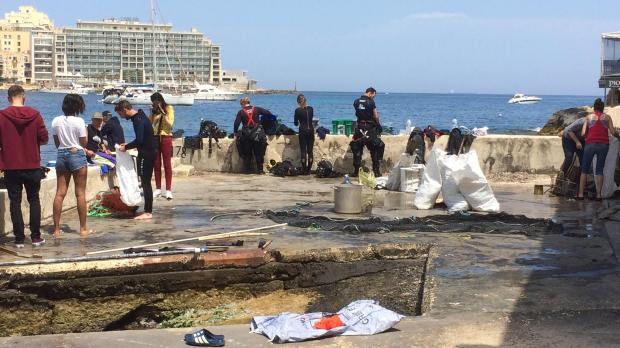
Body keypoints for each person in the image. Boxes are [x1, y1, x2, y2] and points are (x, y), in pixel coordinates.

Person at [0, 85, 49, 247]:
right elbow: (44, 138)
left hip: (11, 166)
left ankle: (19, 239)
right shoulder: (35, 115)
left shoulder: (2, 116)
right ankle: (35, 237)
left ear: (9, 98)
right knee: (34, 200)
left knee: (15, 202)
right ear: (24, 96)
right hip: (32, 164)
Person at [51, 94, 90, 236]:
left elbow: (57, 143)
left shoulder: (56, 121)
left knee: (60, 193)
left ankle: (56, 229)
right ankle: (83, 229)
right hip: (77, 155)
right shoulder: (79, 121)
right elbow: (83, 144)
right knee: (80, 193)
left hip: (61, 155)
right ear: (78, 106)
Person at [116, 100, 155, 219]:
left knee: (146, 183)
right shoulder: (140, 116)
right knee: (145, 182)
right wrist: (128, 145)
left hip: (147, 154)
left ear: (125, 109)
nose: (121, 117)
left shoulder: (138, 120)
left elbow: (140, 140)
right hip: (149, 152)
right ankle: (147, 210)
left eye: (121, 114)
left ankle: (148, 212)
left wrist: (126, 147)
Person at [577, 98, 619, 201]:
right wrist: (618, 136)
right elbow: (613, 132)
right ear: (602, 108)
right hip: (603, 145)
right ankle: (599, 195)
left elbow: (582, 134)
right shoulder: (607, 117)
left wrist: (587, 136)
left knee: (584, 170)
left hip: (590, 144)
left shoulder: (588, 117)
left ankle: (581, 195)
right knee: (600, 170)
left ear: (594, 108)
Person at [233, 96, 273, 174]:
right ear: (249, 102)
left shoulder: (241, 112)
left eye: (241, 104)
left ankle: (247, 170)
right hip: (257, 135)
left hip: (246, 136)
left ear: (243, 103)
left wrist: (235, 132)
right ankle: (260, 171)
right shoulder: (257, 109)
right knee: (259, 154)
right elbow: (268, 113)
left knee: (247, 154)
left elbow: (236, 123)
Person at [350, 87, 384, 177]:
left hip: (360, 128)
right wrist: (378, 123)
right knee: (376, 148)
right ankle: (376, 172)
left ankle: (356, 171)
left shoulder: (356, 101)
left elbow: (359, 111)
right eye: (373, 96)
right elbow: (375, 115)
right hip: (370, 128)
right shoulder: (371, 102)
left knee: (357, 149)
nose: (373, 98)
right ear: (370, 93)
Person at [149, 93, 174, 200]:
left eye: (155, 102)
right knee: (156, 163)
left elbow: (170, 124)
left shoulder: (169, 108)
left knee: (167, 164)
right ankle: (158, 188)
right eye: (153, 102)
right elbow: (150, 123)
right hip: (155, 137)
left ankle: (168, 190)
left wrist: (163, 113)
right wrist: (152, 112)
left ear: (160, 100)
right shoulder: (154, 111)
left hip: (166, 137)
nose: (154, 104)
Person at [294, 94, 315, 174]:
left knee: (303, 151)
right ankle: (309, 170)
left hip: (303, 131)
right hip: (311, 131)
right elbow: (310, 118)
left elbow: (296, 123)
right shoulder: (311, 109)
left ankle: (304, 170)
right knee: (310, 151)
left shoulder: (297, 110)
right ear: (305, 100)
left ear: (298, 102)